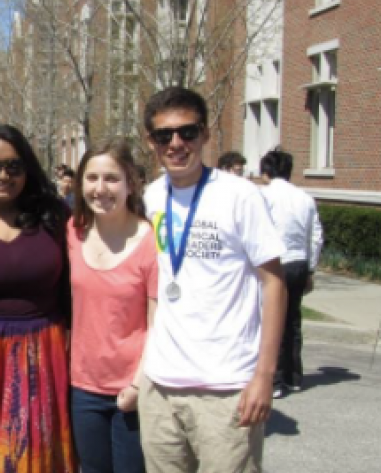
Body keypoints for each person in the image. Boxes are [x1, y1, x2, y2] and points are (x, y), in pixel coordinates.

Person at [139, 87, 287, 473]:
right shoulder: (151, 197)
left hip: (226, 388)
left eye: (187, 132)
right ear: (150, 142)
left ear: (204, 134)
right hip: (160, 386)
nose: (176, 143)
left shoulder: (239, 195)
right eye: (163, 135)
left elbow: (274, 284)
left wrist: (265, 376)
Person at [0, 124, 77, 472]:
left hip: (44, 351)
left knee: (36, 455)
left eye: (13, 166)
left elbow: (75, 282)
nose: (2, 175)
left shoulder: (54, 215)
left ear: (28, 168)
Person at [68, 138, 156, 473]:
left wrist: (137, 384)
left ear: (131, 184)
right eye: (91, 178)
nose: (100, 189)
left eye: (112, 179)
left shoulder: (150, 241)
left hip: (131, 388)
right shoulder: (72, 234)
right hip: (82, 387)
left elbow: (157, 322)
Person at [259, 148, 323, 399]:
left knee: (271, 320)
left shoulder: (264, 196)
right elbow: (315, 236)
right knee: (293, 320)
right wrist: (310, 268)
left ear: (267, 171)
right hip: (298, 262)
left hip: (276, 262)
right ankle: (293, 376)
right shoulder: (305, 198)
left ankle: (273, 380)